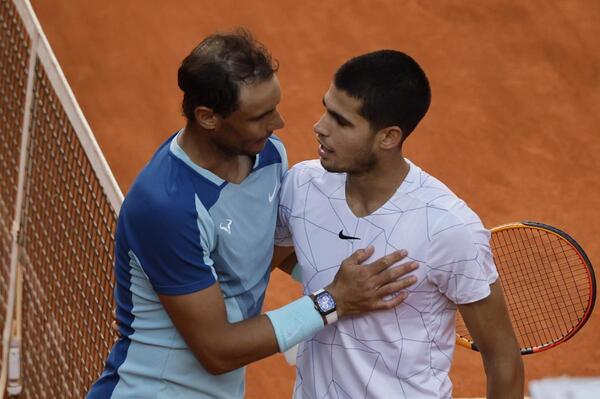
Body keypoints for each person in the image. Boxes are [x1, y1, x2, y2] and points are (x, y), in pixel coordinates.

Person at [86, 30, 419, 399]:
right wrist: (332, 300)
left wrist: (370, 283)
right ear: (208, 117)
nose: (278, 124)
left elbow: (260, 252)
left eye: (275, 106)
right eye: (260, 116)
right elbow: (217, 350)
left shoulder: (269, 155)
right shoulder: (166, 207)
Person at [275, 50, 524, 398]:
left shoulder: (448, 227)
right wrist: (341, 291)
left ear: (389, 137)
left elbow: (503, 359)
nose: (320, 127)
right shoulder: (302, 186)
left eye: (341, 121)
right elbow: (273, 259)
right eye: (326, 109)